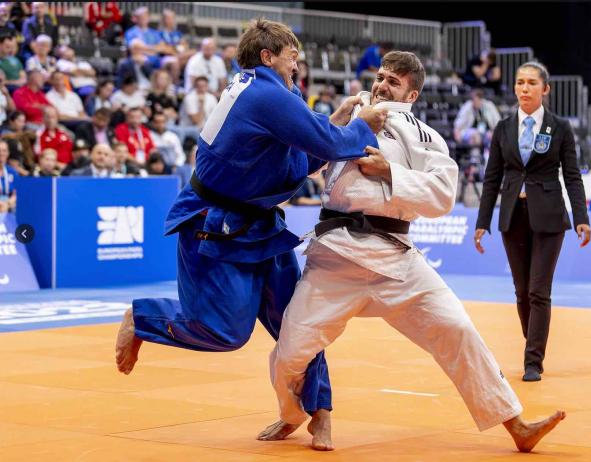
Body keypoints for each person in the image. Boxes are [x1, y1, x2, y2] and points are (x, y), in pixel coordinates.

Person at [266, 50, 565, 453]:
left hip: (396, 257)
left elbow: (443, 194)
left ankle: (517, 425)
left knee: (458, 330)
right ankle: (292, 413)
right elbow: (304, 166)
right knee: (291, 350)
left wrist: (390, 172)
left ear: (411, 95)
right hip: (335, 254)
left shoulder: (425, 135)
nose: (382, 85)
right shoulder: (348, 120)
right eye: (381, 77)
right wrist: (335, 124)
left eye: (393, 81)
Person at [114, 19, 386, 451]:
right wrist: (361, 126)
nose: (298, 63)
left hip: (258, 221)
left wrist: (330, 128)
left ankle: (320, 413)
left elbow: (295, 164)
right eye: (292, 55)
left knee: (301, 324)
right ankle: (143, 317)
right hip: (213, 224)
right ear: (267, 57)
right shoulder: (262, 94)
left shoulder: (271, 92)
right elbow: (326, 146)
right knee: (226, 332)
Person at [474, 61, 591, 382]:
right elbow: (492, 178)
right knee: (522, 292)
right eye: (520, 83)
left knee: (539, 290)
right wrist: (482, 222)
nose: (524, 88)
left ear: (545, 89)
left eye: (531, 83)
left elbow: (572, 175)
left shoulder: (560, 127)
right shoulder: (503, 128)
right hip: (513, 216)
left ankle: (533, 361)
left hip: (550, 216)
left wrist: (581, 217)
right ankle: (534, 341)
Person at [0, 138, 16, 212]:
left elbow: (17, 191)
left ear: (8, 153)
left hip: (9, 206)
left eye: (4, 151)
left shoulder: (12, 171)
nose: (1, 153)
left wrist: (10, 202)